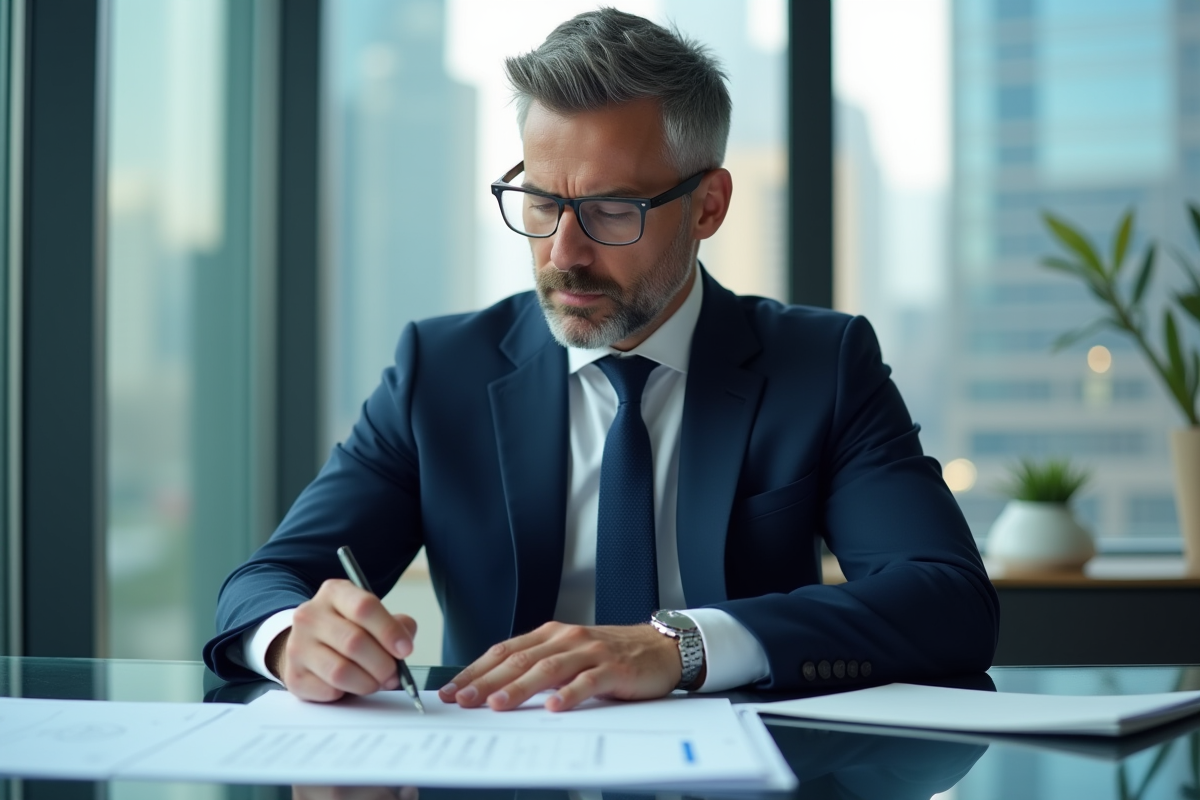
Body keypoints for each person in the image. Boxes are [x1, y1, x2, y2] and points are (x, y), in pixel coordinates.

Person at [203, 8, 999, 712]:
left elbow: (947, 601)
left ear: (708, 205)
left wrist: (682, 647)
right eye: (543, 202)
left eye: (611, 209)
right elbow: (264, 584)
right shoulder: (438, 371)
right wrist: (290, 640)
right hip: (495, 766)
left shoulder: (821, 365)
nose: (563, 253)